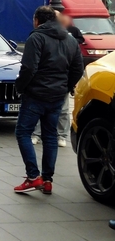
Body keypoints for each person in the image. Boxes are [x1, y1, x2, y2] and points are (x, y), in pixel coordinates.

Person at [13, 6, 83, 194]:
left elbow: (28, 68)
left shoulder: (36, 38)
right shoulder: (70, 40)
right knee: (50, 136)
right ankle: (47, 180)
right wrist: (65, 87)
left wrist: (20, 87)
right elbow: (77, 69)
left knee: (23, 133)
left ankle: (33, 176)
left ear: (37, 20)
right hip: (57, 96)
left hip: (35, 95)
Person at [31, 13, 84, 147]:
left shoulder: (68, 37)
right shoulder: (44, 37)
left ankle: (57, 135)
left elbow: (30, 65)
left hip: (52, 84)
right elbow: (78, 67)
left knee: (60, 111)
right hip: (58, 84)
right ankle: (45, 135)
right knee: (58, 111)